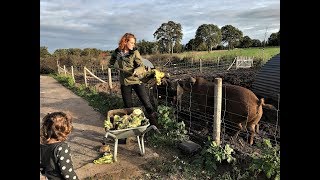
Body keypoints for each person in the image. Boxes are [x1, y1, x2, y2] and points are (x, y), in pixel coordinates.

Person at [108, 32, 158, 126]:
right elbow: (111, 61)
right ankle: (132, 126)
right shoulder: (118, 52)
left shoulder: (135, 52)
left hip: (136, 80)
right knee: (128, 107)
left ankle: (154, 124)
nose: (133, 45)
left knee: (146, 103)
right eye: (131, 43)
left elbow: (141, 65)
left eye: (134, 43)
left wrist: (137, 70)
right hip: (125, 83)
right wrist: (111, 65)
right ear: (125, 41)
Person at [40, 112, 79, 180]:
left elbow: (41, 166)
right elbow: (67, 172)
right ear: (65, 130)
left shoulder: (42, 145)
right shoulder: (62, 147)